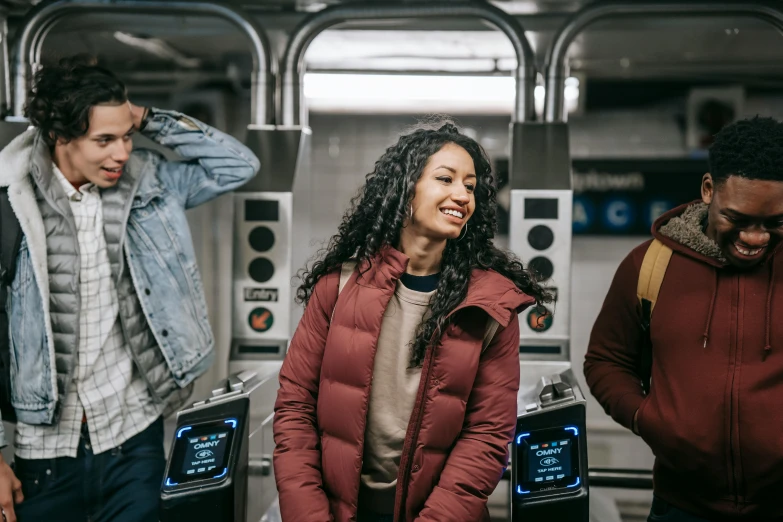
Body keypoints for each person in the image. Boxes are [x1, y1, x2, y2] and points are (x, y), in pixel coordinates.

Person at [0, 58, 259, 522]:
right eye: (104, 140)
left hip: (132, 440)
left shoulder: (148, 183)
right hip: (41, 456)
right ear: (61, 136)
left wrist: (142, 116)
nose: (121, 152)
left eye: (126, 137)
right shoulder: (9, 208)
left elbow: (239, 165)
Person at [273, 121, 552, 522]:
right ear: (405, 188)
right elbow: (295, 408)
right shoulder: (338, 288)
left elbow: (487, 436)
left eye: (470, 186)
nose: (462, 195)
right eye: (446, 179)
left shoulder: (490, 306)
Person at [584, 116, 783, 521]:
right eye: (739, 219)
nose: (756, 237)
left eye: (774, 223)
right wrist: (648, 420)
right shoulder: (650, 265)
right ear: (708, 190)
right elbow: (606, 360)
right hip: (682, 507)